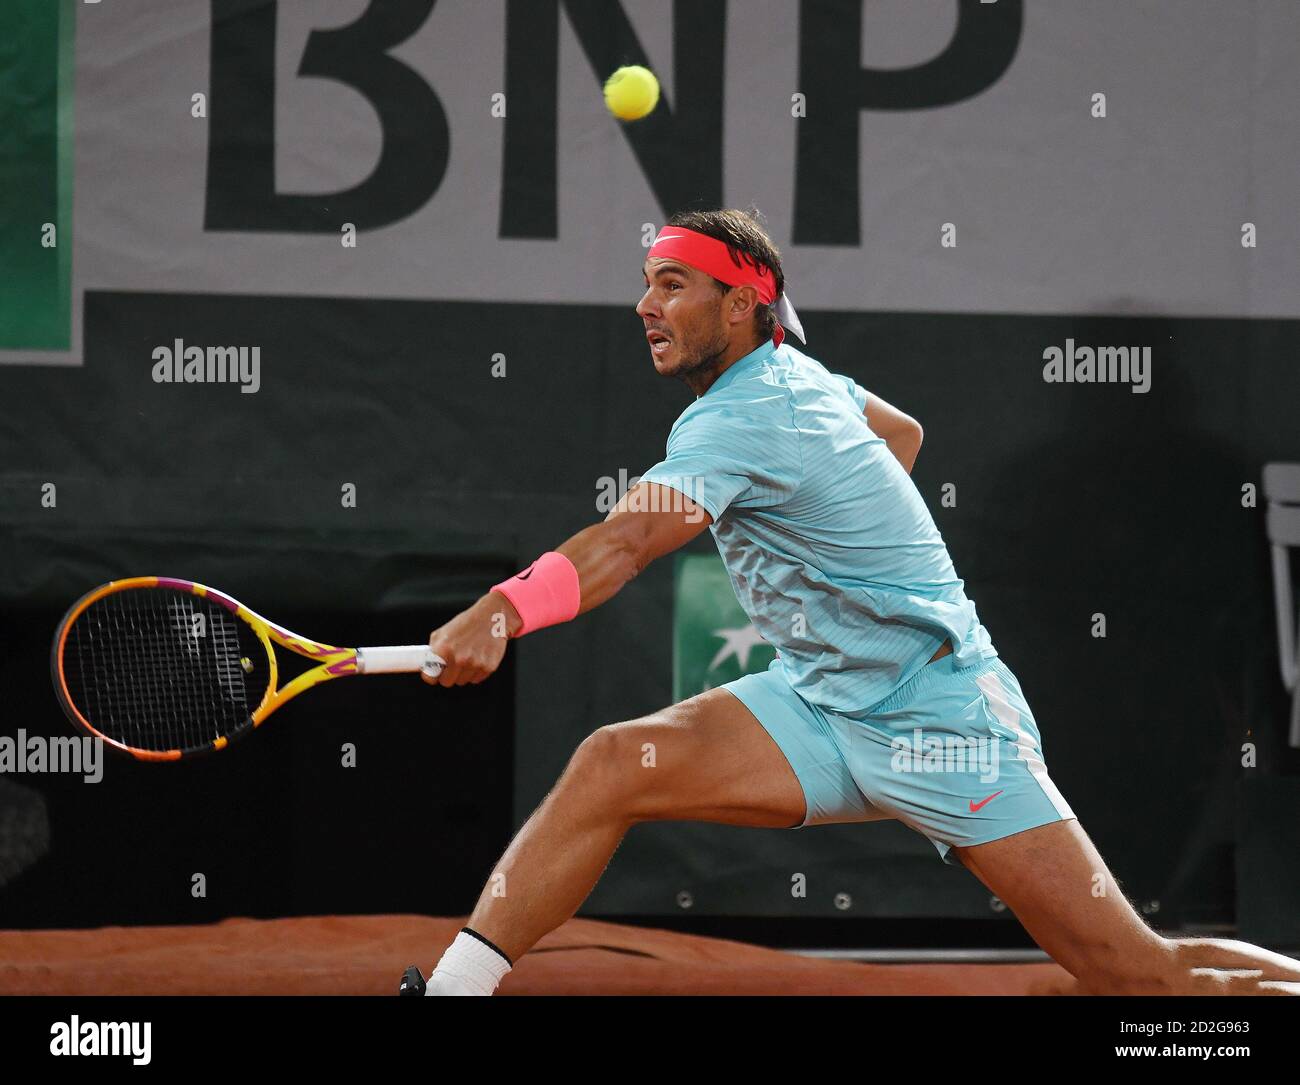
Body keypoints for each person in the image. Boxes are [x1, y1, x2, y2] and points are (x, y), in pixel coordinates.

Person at [415, 208, 1300, 996]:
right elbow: (903, 435)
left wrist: (500, 610)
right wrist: (836, 553)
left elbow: (623, 544)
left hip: (944, 723)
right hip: (821, 701)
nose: (645, 305)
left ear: (739, 305)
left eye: (672, 284)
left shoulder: (740, 418)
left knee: (1133, 973)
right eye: (646, 285)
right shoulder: (806, 381)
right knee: (614, 764)